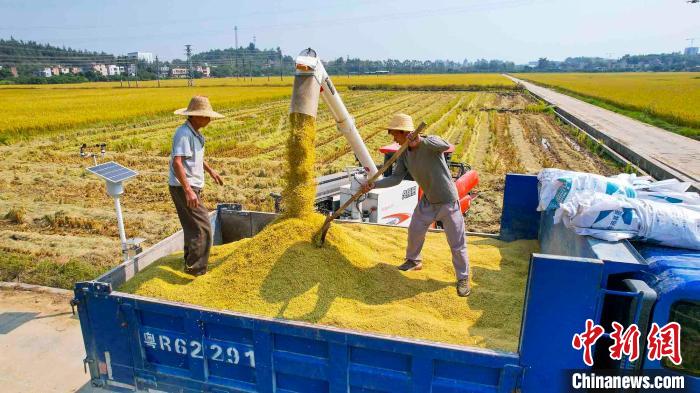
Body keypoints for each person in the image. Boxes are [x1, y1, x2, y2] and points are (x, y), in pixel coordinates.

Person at [360, 113, 471, 297]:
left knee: (457, 243)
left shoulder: (430, 144)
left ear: (405, 132)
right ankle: (413, 261)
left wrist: (421, 140)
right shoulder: (403, 154)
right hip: (428, 201)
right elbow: (395, 179)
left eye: (395, 134)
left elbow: (445, 144)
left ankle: (463, 278)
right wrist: (374, 184)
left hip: (447, 201)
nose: (393, 138)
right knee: (415, 230)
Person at [169, 96, 225, 276]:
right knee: (203, 228)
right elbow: (177, 163)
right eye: (205, 116)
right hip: (184, 188)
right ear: (193, 116)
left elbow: (195, 157)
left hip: (191, 187)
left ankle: (189, 265)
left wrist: (210, 171)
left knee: (193, 228)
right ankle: (196, 272)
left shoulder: (196, 134)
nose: (208, 120)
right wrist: (188, 191)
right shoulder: (183, 134)